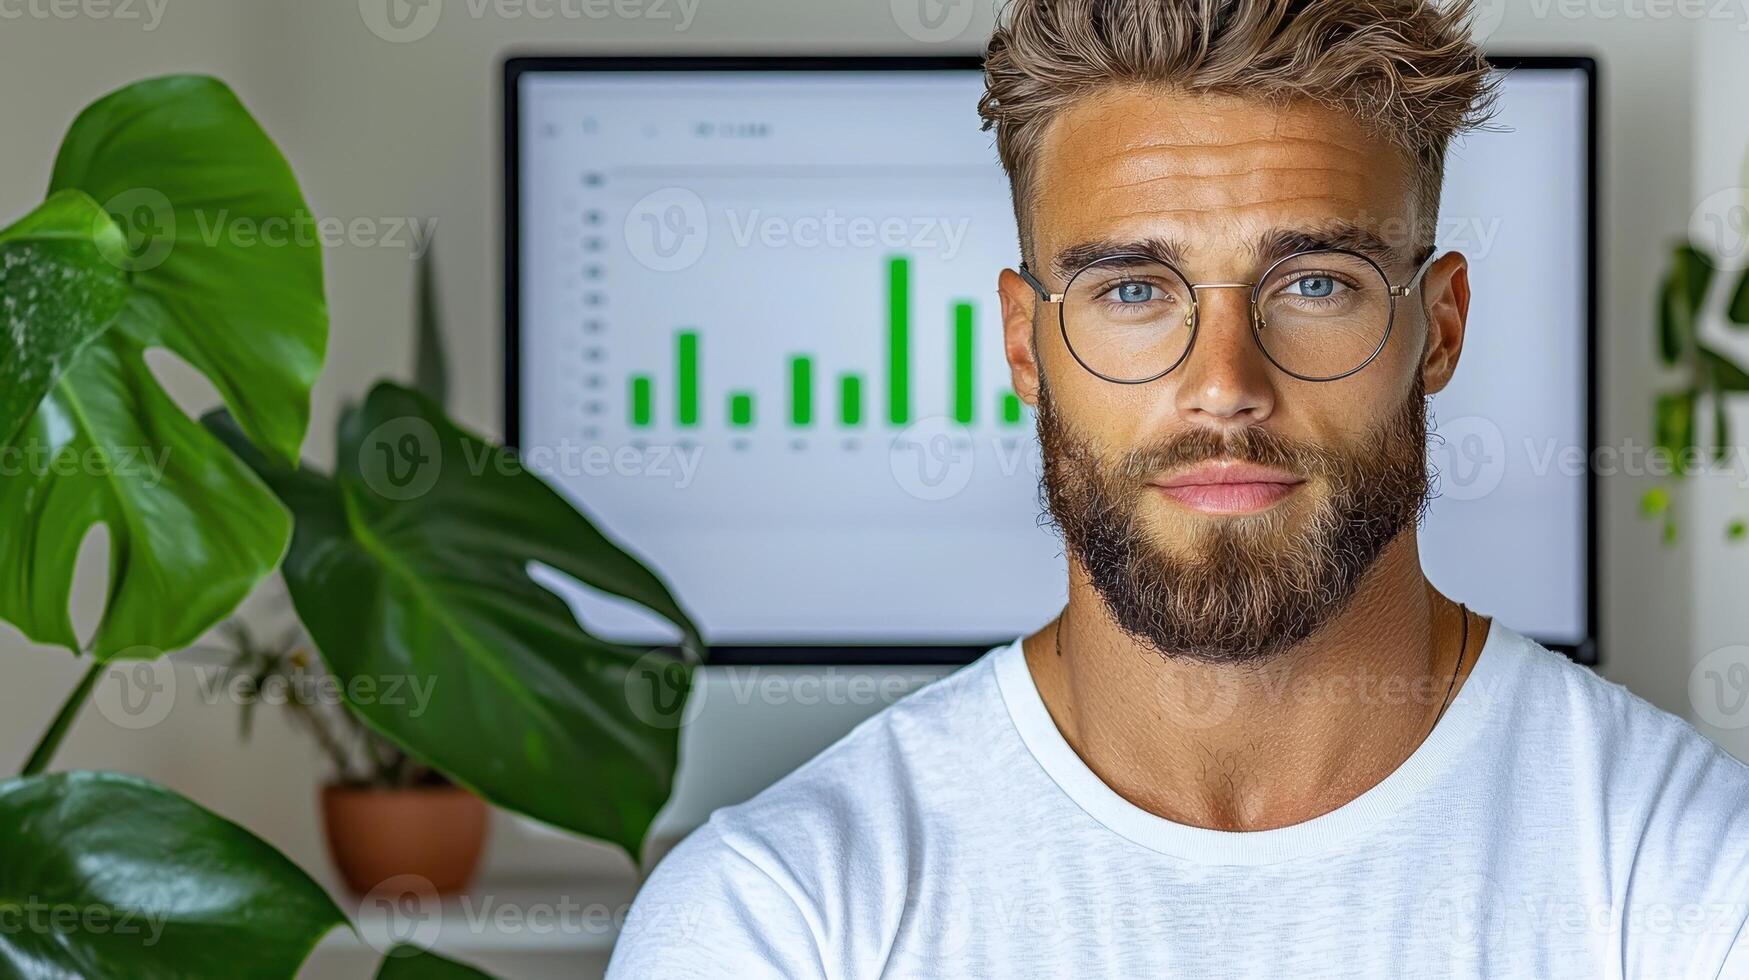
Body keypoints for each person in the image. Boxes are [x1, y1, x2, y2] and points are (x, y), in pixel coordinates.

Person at [607, 1, 1749, 975]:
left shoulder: (1691, 884)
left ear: (1438, 327)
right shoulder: (778, 918)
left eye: (1314, 282)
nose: (1224, 388)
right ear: (1024, 343)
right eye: (1133, 291)